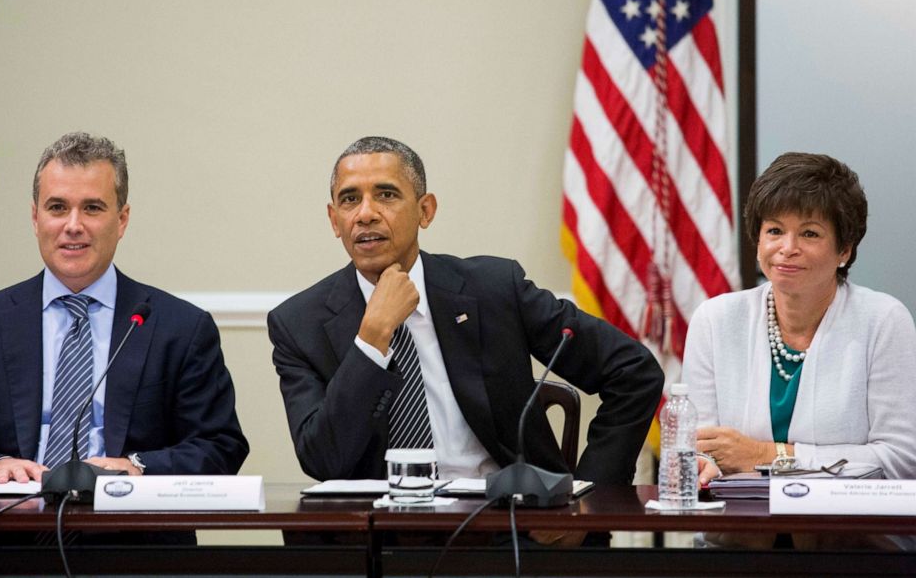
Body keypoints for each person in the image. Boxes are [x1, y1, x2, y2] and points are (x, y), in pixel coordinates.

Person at [269, 136, 663, 501]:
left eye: (386, 195)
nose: (366, 214)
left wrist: (587, 498)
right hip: (376, 537)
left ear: (426, 211)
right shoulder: (298, 324)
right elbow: (323, 461)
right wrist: (372, 339)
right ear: (334, 220)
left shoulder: (494, 290)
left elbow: (633, 372)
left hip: (501, 527)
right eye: (349, 200)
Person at [0, 132, 249, 487]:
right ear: (35, 218)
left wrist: (138, 466)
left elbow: (221, 446)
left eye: (92, 208)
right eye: (57, 207)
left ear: (122, 220)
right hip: (6, 527)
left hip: (131, 532)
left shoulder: (181, 328)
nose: (73, 225)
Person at [683, 152, 916, 488]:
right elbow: (701, 447)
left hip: (849, 532)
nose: (787, 247)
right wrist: (703, 463)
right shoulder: (716, 319)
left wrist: (769, 455)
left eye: (810, 234)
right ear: (758, 239)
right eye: (775, 230)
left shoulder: (883, 321)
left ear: (844, 250)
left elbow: (901, 458)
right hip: (740, 527)